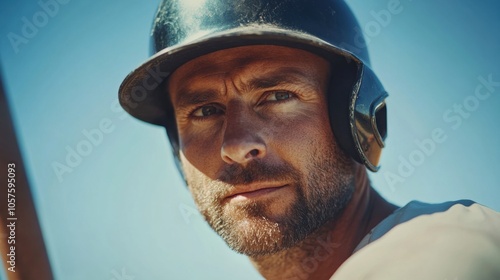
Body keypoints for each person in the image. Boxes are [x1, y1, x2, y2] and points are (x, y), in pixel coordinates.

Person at [118, 0, 500, 279]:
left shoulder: (446, 250)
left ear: (356, 117)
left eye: (277, 96)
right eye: (205, 110)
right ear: (176, 151)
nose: (235, 145)